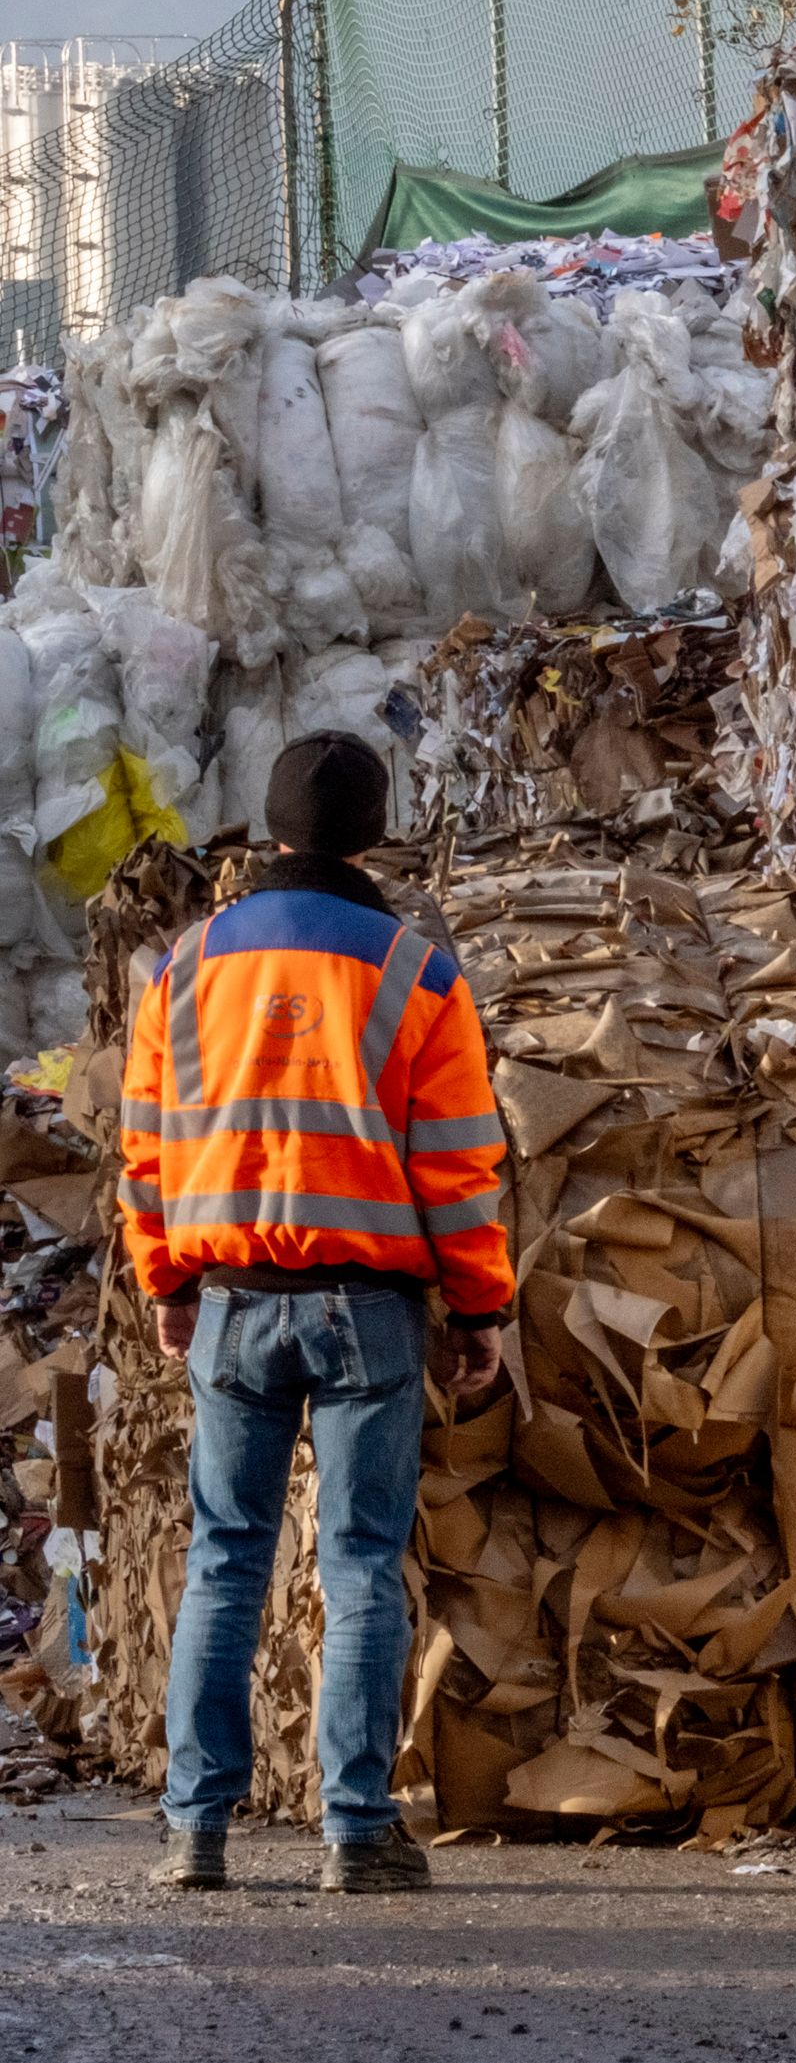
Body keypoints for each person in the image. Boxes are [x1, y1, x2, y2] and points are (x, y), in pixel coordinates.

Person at [117, 733, 512, 1895]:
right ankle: (355, 1828)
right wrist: (478, 1306)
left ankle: (195, 1828)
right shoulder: (416, 974)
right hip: (368, 1312)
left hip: (231, 1303)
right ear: (373, 834)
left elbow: (145, 1151)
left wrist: (166, 1284)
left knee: (224, 1562)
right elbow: (456, 1160)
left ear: (271, 828)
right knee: (358, 1565)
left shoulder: (183, 969)